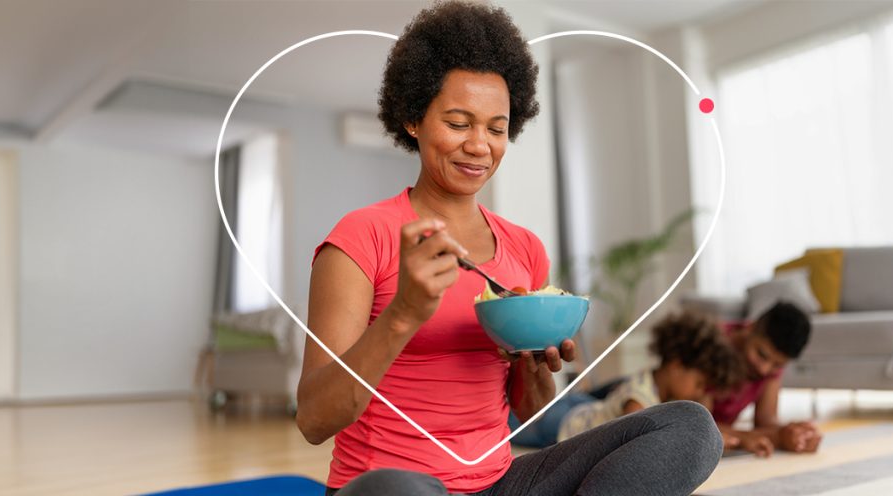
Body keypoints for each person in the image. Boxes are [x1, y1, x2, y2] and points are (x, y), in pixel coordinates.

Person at [295, 2, 722, 495]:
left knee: (689, 427)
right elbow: (313, 419)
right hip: (392, 487)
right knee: (398, 490)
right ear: (413, 119)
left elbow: (529, 409)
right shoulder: (360, 237)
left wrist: (534, 361)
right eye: (459, 123)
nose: (480, 145)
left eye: (496, 128)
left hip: (499, 484)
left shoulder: (523, 247)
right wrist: (403, 315)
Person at [510, 310, 745, 448]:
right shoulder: (638, 398)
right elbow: (638, 442)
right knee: (510, 425)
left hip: (589, 408)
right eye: (700, 384)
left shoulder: (655, 386)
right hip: (561, 427)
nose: (700, 393)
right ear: (677, 366)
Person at [704, 301, 822, 457]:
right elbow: (695, 425)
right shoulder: (712, 345)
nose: (764, 369)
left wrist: (789, 434)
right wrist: (744, 437)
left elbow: (765, 421)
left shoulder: (769, 368)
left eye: (777, 365)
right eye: (761, 354)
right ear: (750, 327)